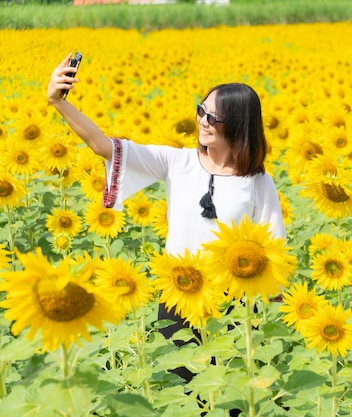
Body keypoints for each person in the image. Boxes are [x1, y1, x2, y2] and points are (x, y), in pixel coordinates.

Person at [47, 53, 287, 395]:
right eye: (200, 110)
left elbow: (275, 251)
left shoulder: (257, 181)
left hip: (233, 306)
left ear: (237, 124)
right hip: (179, 295)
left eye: (212, 116)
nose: (202, 121)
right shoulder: (178, 162)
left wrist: (269, 324)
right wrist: (58, 101)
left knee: (231, 396)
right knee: (181, 394)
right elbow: (104, 147)